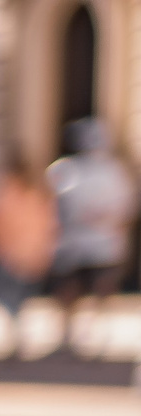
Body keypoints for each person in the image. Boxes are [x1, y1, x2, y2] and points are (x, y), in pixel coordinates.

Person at [48, 118, 136, 359]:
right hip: (87, 243)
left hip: (96, 243)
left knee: (87, 291)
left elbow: (125, 209)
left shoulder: (106, 172)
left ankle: (87, 336)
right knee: (80, 291)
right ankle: (77, 336)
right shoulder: (74, 170)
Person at [0, 156, 57, 358]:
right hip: (26, 253)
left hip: (11, 254)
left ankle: (16, 336)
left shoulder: (8, 193)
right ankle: (17, 335)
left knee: (10, 298)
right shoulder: (35, 194)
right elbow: (48, 225)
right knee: (16, 299)